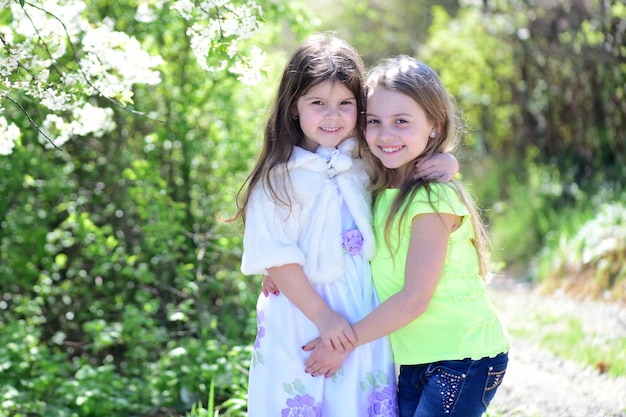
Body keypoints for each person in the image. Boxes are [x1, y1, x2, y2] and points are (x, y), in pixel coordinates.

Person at [232, 34, 458, 416]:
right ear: (293, 108)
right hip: (303, 312)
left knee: (355, 401)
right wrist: (323, 317)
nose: (332, 116)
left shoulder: (363, 161)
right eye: (317, 103)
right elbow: (275, 254)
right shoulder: (277, 180)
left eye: (345, 104)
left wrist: (449, 164)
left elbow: (409, 163)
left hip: (360, 312)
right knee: (299, 395)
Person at [303, 56, 510, 417]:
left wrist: (342, 345)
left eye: (402, 122)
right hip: (417, 356)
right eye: (375, 122)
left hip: (463, 356)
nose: (386, 134)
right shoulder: (375, 187)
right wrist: (279, 266)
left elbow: (414, 299)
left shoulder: (432, 198)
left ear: (434, 125)